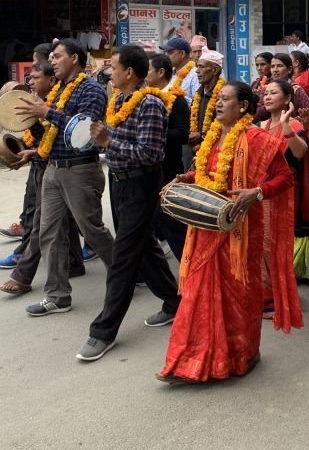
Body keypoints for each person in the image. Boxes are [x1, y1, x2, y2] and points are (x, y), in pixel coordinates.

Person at [158, 81, 302, 382]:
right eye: (218, 99)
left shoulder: (257, 138)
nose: (218, 104)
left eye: (225, 99)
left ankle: (242, 356)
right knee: (198, 292)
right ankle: (189, 362)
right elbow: (207, 173)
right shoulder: (211, 137)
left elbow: (285, 178)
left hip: (241, 229)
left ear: (244, 106)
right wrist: (186, 178)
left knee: (238, 295)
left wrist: (257, 193)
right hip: (206, 227)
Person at [74, 45, 180, 361]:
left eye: (115, 68)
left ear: (129, 72)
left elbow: (150, 153)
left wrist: (108, 141)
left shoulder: (150, 104)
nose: (110, 73)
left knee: (122, 258)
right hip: (119, 182)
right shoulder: (118, 100)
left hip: (141, 184)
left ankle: (102, 331)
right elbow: (114, 144)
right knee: (144, 248)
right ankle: (176, 302)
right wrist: (100, 143)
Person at [15, 38, 115, 316]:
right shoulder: (57, 90)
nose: (53, 61)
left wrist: (46, 112)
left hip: (80, 170)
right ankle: (57, 296)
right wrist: (32, 123)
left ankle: (126, 272)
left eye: (57, 56)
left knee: (92, 230)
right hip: (53, 169)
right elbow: (51, 134)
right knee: (49, 233)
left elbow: (84, 132)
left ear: (74, 58)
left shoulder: (91, 89)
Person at [0, 62, 85, 295]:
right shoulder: (39, 103)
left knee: (42, 224)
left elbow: (59, 139)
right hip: (43, 166)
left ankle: (22, 276)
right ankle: (75, 263)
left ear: (51, 80)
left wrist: (36, 146)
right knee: (63, 220)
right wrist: (25, 150)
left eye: (36, 78)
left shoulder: (56, 104)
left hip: (55, 167)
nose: (31, 82)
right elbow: (39, 138)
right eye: (30, 78)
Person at [260, 80, 309, 284]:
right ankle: (269, 287)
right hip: (264, 190)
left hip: (286, 191)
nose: (267, 97)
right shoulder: (263, 125)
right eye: (266, 93)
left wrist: (285, 126)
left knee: (279, 238)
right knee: (264, 238)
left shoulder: (294, 125)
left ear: (287, 99)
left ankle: (281, 287)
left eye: (273, 93)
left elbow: (300, 153)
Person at [145, 53, 190, 260]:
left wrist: (154, 132)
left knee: (171, 219)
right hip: (149, 167)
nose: (145, 73)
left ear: (161, 72)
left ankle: (187, 262)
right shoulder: (146, 96)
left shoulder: (176, 99)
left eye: (148, 69)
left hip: (169, 167)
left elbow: (182, 134)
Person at [187, 49, 226, 163]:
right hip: (198, 154)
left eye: (202, 67)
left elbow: (227, 126)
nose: (197, 71)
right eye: (197, 66)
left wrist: (202, 136)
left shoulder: (224, 94)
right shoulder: (198, 94)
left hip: (219, 155)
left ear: (215, 70)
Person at [255, 53, 309, 122]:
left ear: (289, 69)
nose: (275, 70)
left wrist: (294, 120)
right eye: (273, 66)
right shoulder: (266, 89)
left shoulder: (296, 89)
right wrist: (270, 103)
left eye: (279, 66)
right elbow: (256, 116)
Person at [160, 37, 198, 103]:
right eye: (165, 52)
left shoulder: (195, 75)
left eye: (170, 52)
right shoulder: (170, 73)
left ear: (182, 54)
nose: (166, 56)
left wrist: (178, 100)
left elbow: (196, 103)